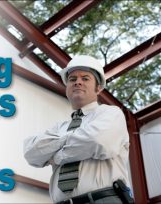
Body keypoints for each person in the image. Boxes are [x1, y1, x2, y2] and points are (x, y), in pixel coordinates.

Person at [23, 55, 134, 204]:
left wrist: (56, 155)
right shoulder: (59, 127)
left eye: (85, 78)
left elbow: (98, 141)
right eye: (72, 79)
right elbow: (32, 153)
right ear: (67, 87)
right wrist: (73, 139)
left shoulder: (110, 113)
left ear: (98, 87)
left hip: (103, 200)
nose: (78, 82)